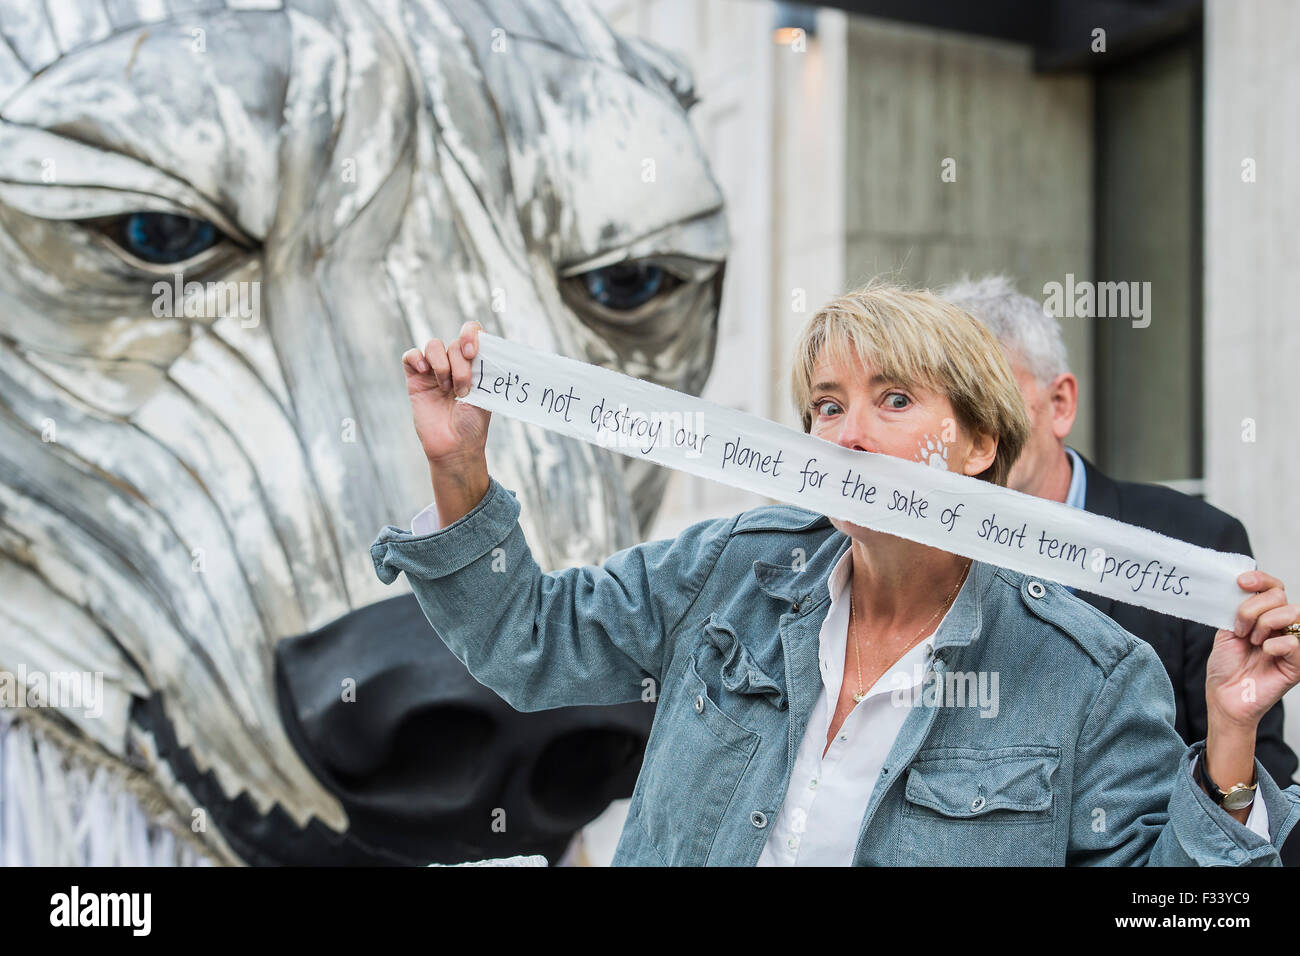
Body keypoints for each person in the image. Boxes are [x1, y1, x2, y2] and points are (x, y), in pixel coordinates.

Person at [371, 282, 1300, 865]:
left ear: (980, 444)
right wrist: (459, 469)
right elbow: (527, 641)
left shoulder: (1088, 676)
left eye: (893, 400)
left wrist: (1228, 744)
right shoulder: (730, 569)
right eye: (827, 405)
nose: (847, 435)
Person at [942, 273, 1300, 865]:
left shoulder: (1193, 543)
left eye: (996, 398)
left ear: (1060, 405)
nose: (977, 431)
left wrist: (1231, 758)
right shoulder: (922, 559)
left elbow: (1265, 786)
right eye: (955, 405)